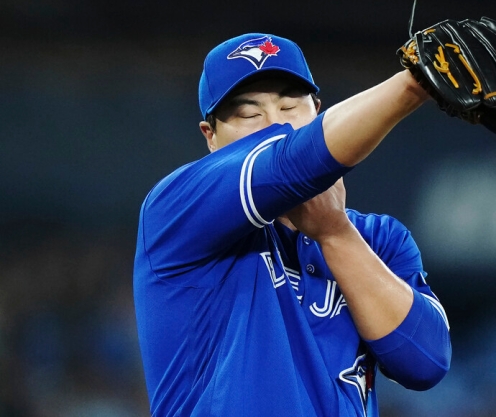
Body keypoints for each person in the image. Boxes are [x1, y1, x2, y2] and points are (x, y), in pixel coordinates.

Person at [133, 33, 451, 417]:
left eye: (290, 106)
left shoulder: (380, 239)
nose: (275, 125)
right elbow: (289, 162)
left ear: (318, 112)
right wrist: (413, 86)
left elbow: (425, 364)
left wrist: (335, 234)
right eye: (248, 114)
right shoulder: (177, 209)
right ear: (210, 136)